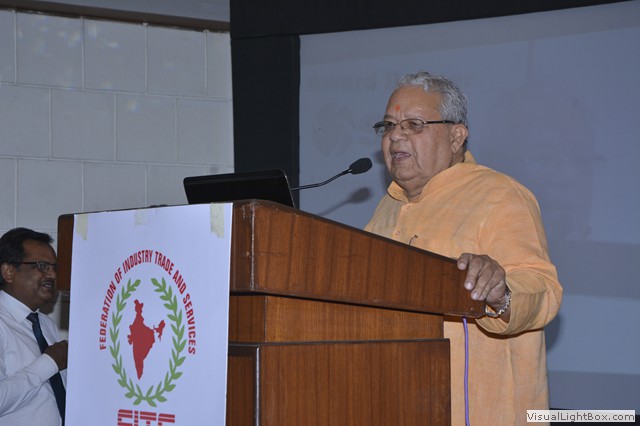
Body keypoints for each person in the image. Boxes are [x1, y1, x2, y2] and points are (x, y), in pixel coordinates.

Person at [365, 71, 562, 425]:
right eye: (389, 126)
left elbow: (543, 289)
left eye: (413, 125)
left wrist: (501, 294)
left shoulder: (501, 196)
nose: (395, 136)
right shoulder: (387, 209)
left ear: (456, 136)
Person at [0, 228, 67, 426]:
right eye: (42, 266)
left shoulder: (46, 324)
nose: (52, 275)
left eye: (54, 267)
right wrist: (49, 362)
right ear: (8, 272)